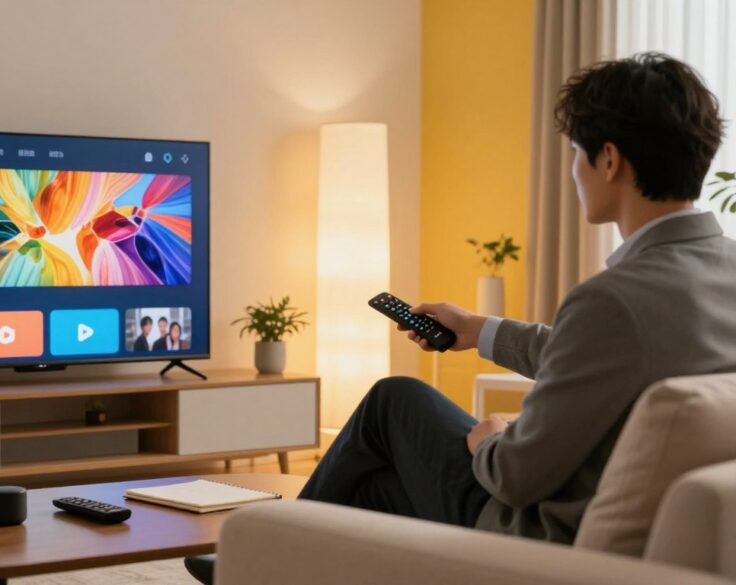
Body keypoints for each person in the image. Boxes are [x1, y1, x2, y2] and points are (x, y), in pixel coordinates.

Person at [185, 52, 736, 584]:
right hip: (613, 520)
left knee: (394, 399)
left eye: (576, 152)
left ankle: (256, 560)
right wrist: (479, 330)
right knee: (375, 488)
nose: (573, 169)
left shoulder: (612, 300)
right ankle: (270, 563)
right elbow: (605, 357)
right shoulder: (720, 271)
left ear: (609, 160)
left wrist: (490, 439)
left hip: (537, 538)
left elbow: (514, 477)